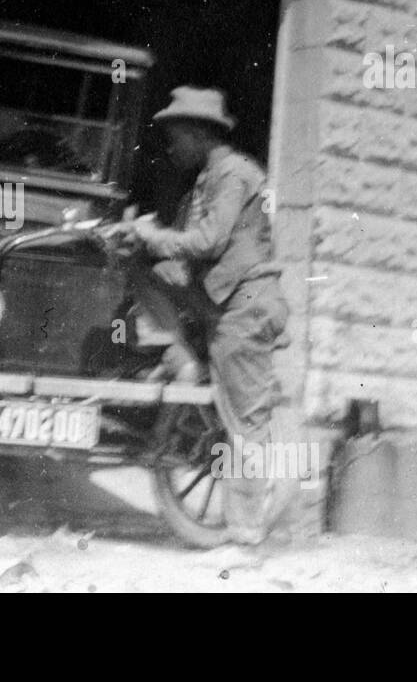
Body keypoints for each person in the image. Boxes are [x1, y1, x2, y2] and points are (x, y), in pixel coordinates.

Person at [116, 86, 290, 545]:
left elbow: (209, 241)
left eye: (175, 137)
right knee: (141, 265)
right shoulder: (207, 179)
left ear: (197, 133)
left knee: (244, 427)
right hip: (222, 302)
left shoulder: (234, 174)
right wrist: (139, 240)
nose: (171, 148)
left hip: (244, 310)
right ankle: (180, 358)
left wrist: (152, 236)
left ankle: (246, 538)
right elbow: (185, 249)